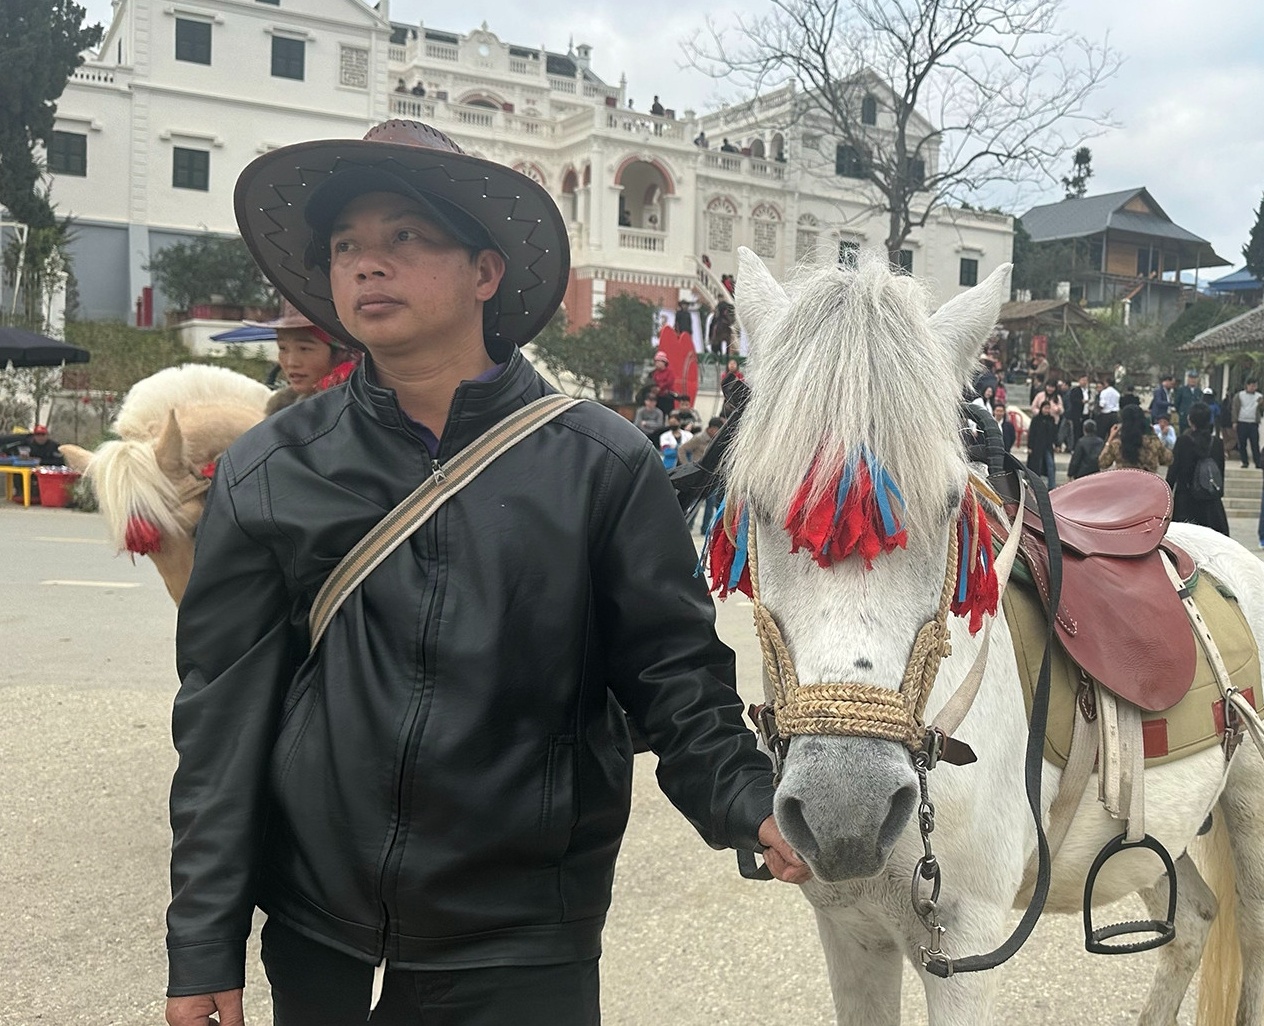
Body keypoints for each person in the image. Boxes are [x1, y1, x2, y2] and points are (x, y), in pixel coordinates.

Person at [164, 119, 807, 1026]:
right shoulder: (270, 468)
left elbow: (674, 676)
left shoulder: (601, 464)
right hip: (319, 927)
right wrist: (202, 945)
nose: (366, 263)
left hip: (525, 936)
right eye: (345, 245)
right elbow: (221, 716)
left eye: (404, 235)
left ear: (484, 271)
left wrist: (748, 800)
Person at [254, 300, 360, 414]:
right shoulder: (283, 411)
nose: (291, 362)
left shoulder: (356, 409)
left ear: (340, 353)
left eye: (304, 349)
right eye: (283, 348)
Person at [1168, 403, 1228, 535]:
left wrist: (1167, 495)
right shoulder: (1217, 443)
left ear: (1190, 420)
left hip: (1185, 501)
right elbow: (1220, 472)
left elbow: (1173, 471)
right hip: (1210, 501)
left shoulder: (1183, 441)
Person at [1098, 395, 1171, 473]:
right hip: (1147, 479)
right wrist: (1154, 435)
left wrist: (1110, 438)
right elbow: (1168, 460)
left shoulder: (1117, 444)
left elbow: (1103, 463)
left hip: (1124, 479)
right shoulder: (1152, 442)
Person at [1025, 380, 1062, 487]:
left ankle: (1052, 485)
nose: (1047, 410)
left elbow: (1054, 433)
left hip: (1048, 446)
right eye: (1045, 408)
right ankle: (1036, 485)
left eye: (1048, 408)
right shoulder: (1036, 420)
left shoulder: (1051, 419)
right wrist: (1030, 446)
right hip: (1037, 445)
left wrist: (1057, 444)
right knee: (1038, 465)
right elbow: (1032, 433)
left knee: (1050, 465)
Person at [1230, 380, 1264, 468]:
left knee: (1255, 443)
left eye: (1255, 386)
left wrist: (1261, 404)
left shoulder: (1259, 396)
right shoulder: (1239, 395)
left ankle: (1257, 462)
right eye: (1252, 386)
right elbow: (1235, 408)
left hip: (1253, 423)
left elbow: (1262, 410)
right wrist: (1234, 421)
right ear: (1247, 386)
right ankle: (1245, 462)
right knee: (1242, 443)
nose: (1253, 388)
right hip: (1242, 421)